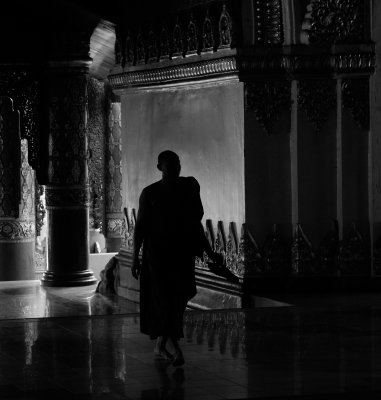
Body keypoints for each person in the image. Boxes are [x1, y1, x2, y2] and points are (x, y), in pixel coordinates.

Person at [132, 150, 219, 367]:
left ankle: (161, 344)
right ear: (160, 167)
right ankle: (176, 350)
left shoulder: (188, 188)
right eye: (170, 164)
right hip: (157, 257)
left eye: (177, 163)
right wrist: (135, 257)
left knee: (178, 300)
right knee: (163, 302)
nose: (175, 167)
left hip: (181, 254)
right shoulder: (149, 194)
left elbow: (194, 225)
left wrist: (210, 252)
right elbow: (140, 228)